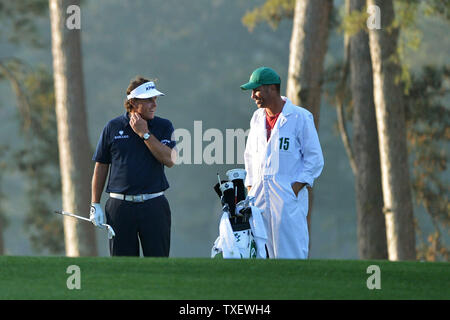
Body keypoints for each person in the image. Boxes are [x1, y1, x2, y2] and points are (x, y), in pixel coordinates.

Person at [241, 67, 324, 259]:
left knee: (291, 255)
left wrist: (294, 189)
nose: (253, 96)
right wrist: (252, 188)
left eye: (256, 90)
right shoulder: (256, 119)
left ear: (271, 89)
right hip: (259, 199)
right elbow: (250, 157)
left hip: (287, 201)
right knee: (260, 255)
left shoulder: (300, 117)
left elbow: (314, 158)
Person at [90, 76, 176, 257]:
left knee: (158, 265)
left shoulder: (163, 126)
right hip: (120, 208)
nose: (154, 104)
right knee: (123, 268)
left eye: (155, 99)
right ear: (133, 102)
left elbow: (169, 159)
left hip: (154, 205)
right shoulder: (113, 127)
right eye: (148, 100)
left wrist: (144, 134)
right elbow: (102, 165)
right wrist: (95, 204)